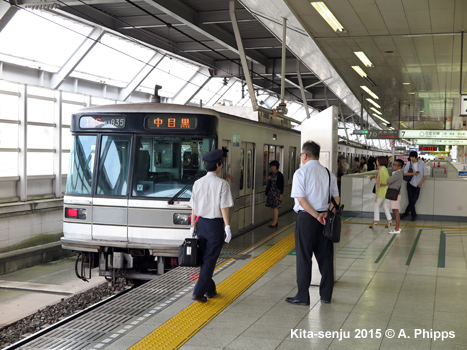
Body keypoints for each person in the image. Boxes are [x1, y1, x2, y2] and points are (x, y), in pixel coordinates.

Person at [285, 141, 339, 305]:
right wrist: (325, 215)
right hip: (325, 219)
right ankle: (326, 295)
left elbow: (301, 200)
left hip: (307, 219)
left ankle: (302, 296)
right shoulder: (329, 174)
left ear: (305, 155)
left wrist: (316, 216)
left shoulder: (300, 173)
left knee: (304, 258)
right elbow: (336, 200)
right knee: (326, 258)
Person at [189, 149, 234, 302]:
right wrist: (227, 226)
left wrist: (192, 225)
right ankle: (198, 292)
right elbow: (224, 207)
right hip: (215, 225)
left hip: (201, 224)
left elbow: (193, 207)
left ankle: (210, 289)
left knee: (204, 259)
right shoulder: (222, 184)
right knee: (209, 260)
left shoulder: (197, 183)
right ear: (218, 165)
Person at [401, 151, 426, 221]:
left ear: (416, 157)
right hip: (410, 184)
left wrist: (421, 182)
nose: (411, 159)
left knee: (413, 201)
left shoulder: (422, 163)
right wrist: (414, 174)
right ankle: (413, 215)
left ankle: (405, 214)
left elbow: (424, 174)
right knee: (411, 200)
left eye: (413, 157)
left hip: (418, 185)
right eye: (410, 157)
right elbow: (404, 173)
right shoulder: (409, 163)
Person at [369, 156, 392, 229]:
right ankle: (389, 220)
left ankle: (376, 221)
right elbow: (381, 177)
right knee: (385, 206)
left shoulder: (382, 169)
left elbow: (387, 178)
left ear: (380, 161)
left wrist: (385, 183)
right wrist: (374, 176)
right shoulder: (382, 169)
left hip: (382, 190)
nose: (376, 161)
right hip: (383, 190)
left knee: (376, 205)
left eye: (377, 160)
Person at [386, 159, 404, 234]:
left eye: (395, 165)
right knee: (394, 210)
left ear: (399, 166)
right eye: (393, 164)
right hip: (395, 193)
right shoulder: (397, 173)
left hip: (395, 194)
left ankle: (397, 228)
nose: (393, 166)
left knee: (395, 211)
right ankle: (397, 228)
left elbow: (388, 181)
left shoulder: (397, 173)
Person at [265, 160, 284, 228]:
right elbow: (269, 184)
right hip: (271, 192)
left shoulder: (280, 175)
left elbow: (281, 185)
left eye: (273, 166)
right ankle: (274, 220)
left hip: (277, 193)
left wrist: (281, 194)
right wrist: (268, 179)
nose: (271, 168)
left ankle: (275, 222)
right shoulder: (270, 174)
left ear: (276, 167)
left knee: (275, 207)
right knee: (271, 207)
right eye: (271, 166)